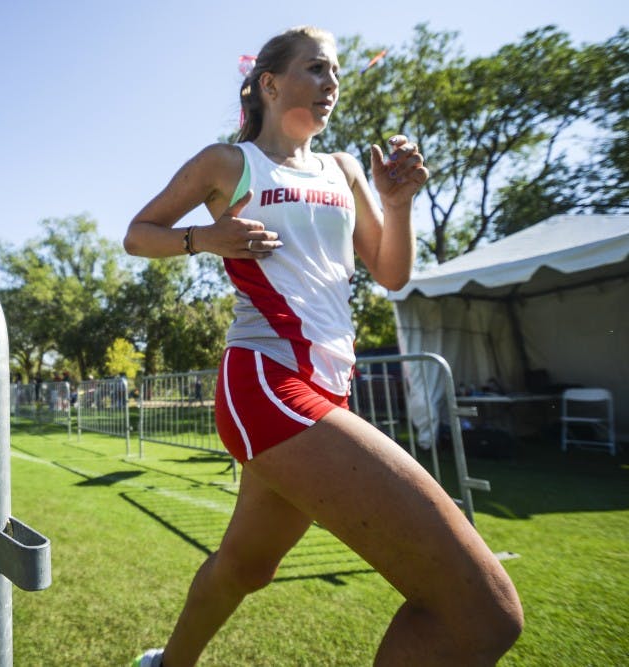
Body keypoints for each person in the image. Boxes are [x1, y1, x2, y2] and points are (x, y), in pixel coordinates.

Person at [123, 26, 522, 667]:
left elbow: (391, 274)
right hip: (266, 382)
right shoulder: (229, 163)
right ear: (271, 83)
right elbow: (139, 235)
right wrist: (206, 239)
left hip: (330, 386)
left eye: (335, 71)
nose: (332, 82)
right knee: (483, 611)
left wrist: (396, 206)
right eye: (316, 69)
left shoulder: (340, 170)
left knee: (244, 569)